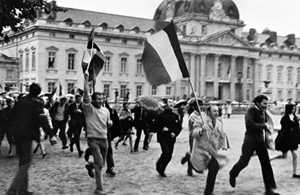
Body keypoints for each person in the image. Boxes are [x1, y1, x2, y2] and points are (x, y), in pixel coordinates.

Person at [6, 83, 57, 195]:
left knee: (22, 161)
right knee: (26, 162)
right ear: (38, 92)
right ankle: (13, 190)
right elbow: (42, 118)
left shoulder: (21, 100)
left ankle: (23, 189)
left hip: (17, 133)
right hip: (27, 134)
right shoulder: (37, 102)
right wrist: (51, 134)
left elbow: (11, 115)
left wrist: (14, 128)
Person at [229, 95, 280, 195]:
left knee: (266, 164)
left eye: (267, 103)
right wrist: (264, 126)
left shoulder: (263, 111)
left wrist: (269, 129)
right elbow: (249, 125)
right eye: (264, 103)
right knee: (244, 161)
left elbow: (267, 123)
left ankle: (269, 189)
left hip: (260, 142)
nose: (266, 105)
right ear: (257, 103)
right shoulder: (251, 110)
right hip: (250, 141)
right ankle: (233, 173)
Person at [181, 104, 229, 195]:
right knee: (198, 169)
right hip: (200, 150)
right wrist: (201, 130)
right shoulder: (200, 121)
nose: (216, 113)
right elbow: (194, 133)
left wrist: (223, 145)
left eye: (217, 111)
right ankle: (189, 158)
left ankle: (208, 191)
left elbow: (222, 134)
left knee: (214, 167)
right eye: (214, 111)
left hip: (211, 151)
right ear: (208, 112)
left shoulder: (219, 123)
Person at [82, 74, 112, 195]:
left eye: (102, 98)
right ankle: (99, 189)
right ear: (93, 100)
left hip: (104, 139)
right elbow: (85, 95)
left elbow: (108, 122)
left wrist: (110, 123)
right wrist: (86, 80)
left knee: (102, 164)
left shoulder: (106, 110)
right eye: (98, 99)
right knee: (99, 165)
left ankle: (91, 166)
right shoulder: (89, 109)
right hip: (93, 140)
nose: (101, 100)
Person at [153, 98, 182, 177]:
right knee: (166, 153)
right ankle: (159, 164)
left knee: (169, 156)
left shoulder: (175, 116)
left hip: (171, 139)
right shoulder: (159, 116)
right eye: (170, 102)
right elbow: (154, 127)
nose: (171, 103)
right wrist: (162, 129)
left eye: (172, 102)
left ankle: (162, 169)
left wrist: (175, 134)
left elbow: (179, 127)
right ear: (166, 104)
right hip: (163, 138)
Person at [273, 103, 300, 178]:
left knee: (295, 155)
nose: (294, 110)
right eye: (293, 109)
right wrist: (292, 121)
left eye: (294, 109)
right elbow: (286, 127)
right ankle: (271, 159)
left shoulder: (294, 117)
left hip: (292, 139)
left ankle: (294, 173)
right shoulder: (284, 118)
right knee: (284, 156)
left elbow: (297, 128)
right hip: (286, 139)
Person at [103, 96, 122, 176]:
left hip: (106, 133)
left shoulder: (110, 110)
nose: (102, 100)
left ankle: (110, 167)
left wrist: (119, 132)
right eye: (100, 98)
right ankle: (91, 160)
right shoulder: (94, 109)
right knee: (96, 151)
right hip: (96, 133)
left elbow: (116, 121)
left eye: (104, 98)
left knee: (109, 150)